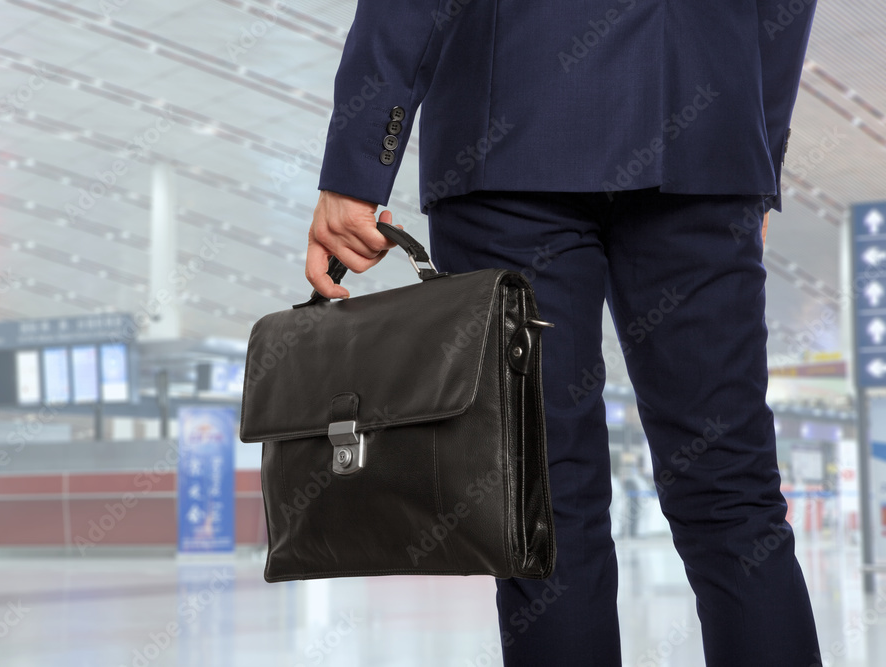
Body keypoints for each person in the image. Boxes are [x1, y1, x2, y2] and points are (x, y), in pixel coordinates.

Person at [305, 1, 822, 665]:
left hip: (509, 129)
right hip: (707, 139)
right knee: (732, 492)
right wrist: (755, 148)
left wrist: (358, 164)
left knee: (542, 497)